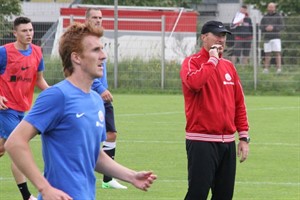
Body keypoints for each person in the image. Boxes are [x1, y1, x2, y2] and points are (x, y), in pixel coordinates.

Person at [4, 21, 157, 200]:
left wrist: (131, 176)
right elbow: (14, 142)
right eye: (95, 50)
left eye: (102, 49)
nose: (103, 56)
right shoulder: (57, 96)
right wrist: (44, 188)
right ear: (76, 58)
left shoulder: (96, 100)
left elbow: (94, 154)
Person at [180, 20, 250, 200]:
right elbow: (194, 83)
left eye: (224, 36)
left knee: (224, 196)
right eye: (217, 35)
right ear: (204, 37)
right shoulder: (191, 62)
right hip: (201, 141)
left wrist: (243, 137)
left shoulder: (229, 67)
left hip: (227, 143)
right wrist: (211, 60)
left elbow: (239, 103)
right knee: (197, 194)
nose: (221, 39)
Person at [0, 16, 49, 200]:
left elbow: (39, 80)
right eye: (24, 31)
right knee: (19, 147)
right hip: (5, 109)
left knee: (3, 148)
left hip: (23, 109)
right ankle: (27, 196)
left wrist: (59, 95)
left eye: (30, 30)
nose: (28, 34)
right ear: (15, 33)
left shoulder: (37, 52)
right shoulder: (4, 53)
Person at [85, 7, 127, 189]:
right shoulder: (83, 41)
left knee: (111, 134)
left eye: (100, 17)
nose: (98, 20)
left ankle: (107, 179)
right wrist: (100, 88)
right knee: (88, 136)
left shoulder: (98, 40)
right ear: (86, 19)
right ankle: (84, 172)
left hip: (102, 97)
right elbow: (84, 70)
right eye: (94, 17)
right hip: (90, 96)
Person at [260, 2, 284, 74]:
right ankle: (266, 69)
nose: (270, 8)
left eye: (272, 7)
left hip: (276, 37)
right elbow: (261, 27)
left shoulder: (278, 16)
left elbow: (282, 26)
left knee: (277, 53)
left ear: (275, 8)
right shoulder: (264, 17)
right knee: (267, 54)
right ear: (267, 8)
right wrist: (265, 28)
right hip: (267, 38)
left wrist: (273, 28)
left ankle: (279, 69)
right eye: (269, 7)